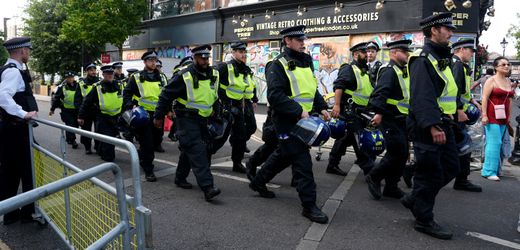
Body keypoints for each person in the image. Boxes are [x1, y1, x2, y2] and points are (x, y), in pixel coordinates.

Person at [248, 25, 331, 224]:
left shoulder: (306, 61)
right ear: (287, 41)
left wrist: (321, 107)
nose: (303, 42)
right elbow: (275, 95)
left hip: (304, 120)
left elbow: (312, 89)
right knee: (302, 162)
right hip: (286, 121)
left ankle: (258, 181)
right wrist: (298, 111)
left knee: (284, 156)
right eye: (298, 39)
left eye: (304, 39)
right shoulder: (277, 64)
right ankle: (309, 206)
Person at [401, 12, 459, 240]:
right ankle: (423, 219)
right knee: (430, 173)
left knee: (452, 167)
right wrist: (433, 126)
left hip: (445, 123)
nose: (451, 32)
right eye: (448, 28)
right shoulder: (422, 59)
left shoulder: (441, 58)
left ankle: (415, 198)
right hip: (429, 126)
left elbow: (446, 91)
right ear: (434, 30)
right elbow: (422, 97)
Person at [154, 45, 221, 201]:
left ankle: (179, 177)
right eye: (202, 58)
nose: (205, 61)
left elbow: (215, 96)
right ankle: (208, 187)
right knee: (198, 152)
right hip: (186, 119)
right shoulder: (184, 76)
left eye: (207, 58)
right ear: (194, 58)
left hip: (204, 119)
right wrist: (159, 116)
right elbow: (165, 95)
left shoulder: (214, 74)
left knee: (188, 150)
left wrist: (217, 113)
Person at [365, 39, 412, 200]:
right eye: (404, 51)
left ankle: (391, 186)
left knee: (402, 152)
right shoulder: (389, 70)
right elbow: (380, 93)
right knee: (396, 151)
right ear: (394, 52)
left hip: (402, 118)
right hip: (390, 116)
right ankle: (374, 176)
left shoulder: (402, 70)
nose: (407, 54)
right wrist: (378, 113)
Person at [0, 37, 39, 225]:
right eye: (28, 50)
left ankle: (10, 213)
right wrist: (23, 114)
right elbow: (2, 96)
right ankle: (28, 213)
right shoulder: (13, 72)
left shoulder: (7, 69)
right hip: (16, 131)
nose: (28, 53)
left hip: (10, 131)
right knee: (29, 171)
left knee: (10, 173)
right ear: (22, 51)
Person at [328, 42, 374, 176]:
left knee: (345, 139)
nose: (367, 55)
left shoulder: (364, 71)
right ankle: (370, 171)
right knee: (359, 139)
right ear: (355, 54)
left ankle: (332, 164)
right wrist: (336, 105)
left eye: (368, 52)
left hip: (362, 112)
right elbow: (339, 87)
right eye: (364, 52)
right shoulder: (349, 68)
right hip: (350, 111)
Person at [123, 51, 168, 182]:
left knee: (155, 141)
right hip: (143, 115)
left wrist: (169, 110)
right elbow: (127, 93)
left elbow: (166, 95)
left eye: (155, 60)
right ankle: (149, 170)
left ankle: (141, 155)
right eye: (150, 60)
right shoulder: (136, 77)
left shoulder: (162, 77)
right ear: (145, 62)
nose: (153, 63)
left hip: (158, 115)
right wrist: (130, 105)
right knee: (147, 143)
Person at [216, 42, 258, 173]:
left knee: (241, 135)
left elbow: (251, 84)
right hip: (227, 106)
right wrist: (221, 100)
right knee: (221, 136)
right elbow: (212, 82)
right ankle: (206, 155)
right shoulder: (224, 67)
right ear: (233, 53)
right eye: (240, 52)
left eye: (244, 52)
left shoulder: (245, 68)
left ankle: (237, 162)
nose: (243, 54)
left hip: (241, 106)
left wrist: (254, 98)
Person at [450, 39, 482, 192]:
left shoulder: (461, 66)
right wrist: (459, 110)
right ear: (461, 49)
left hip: (458, 112)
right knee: (464, 146)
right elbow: (454, 90)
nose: (472, 54)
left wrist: (472, 100)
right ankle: (461, 180)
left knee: (460, 146)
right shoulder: (456, 65)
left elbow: (463, 91)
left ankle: (462, 179)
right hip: (457, 114)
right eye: (470, 50)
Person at [78, 65, 123, 162]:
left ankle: (102, 151)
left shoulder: (120, 85)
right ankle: (109, 159)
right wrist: (81, 116)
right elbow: (87, 102)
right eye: (107, 74)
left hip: (116, 117)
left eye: (111, 74)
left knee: (111, 137)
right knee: (108, 138)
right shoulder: (97, 87)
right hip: (103, 117)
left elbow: (124, 98)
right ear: (103, 75)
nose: (109, 76)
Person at [481, 56, 514, 181]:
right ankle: (488, 171)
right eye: (503, 64)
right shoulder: (491, 80)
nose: (507, 66)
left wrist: (509, 117)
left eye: (508, 64)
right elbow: (484, 97)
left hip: (503, 117)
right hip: (492, 115)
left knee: (498, 143)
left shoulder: (508, 81)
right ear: (496, 67)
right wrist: (484, 115)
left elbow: (509, 100)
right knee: (495, 143)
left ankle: (494, 169)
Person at [49, 71, 80, 149]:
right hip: (66, 110)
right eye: (68, 78)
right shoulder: (62, 87)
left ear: (73, 78)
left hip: (76, 110)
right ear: (66, 79)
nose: (70, 79)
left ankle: (69, 139)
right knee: (70, 125)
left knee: (75, 126)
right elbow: (56, 99)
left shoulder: (78, 86)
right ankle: (73, 141)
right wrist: (52, 109)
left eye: (71, 77)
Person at [75, 62, 101, 154]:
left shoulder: (100, 81)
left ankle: (98, 147)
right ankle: (87, 147)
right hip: (86, 111)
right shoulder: (82, 83)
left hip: (97, 110)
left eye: (94, 70)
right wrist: (79, 114)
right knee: (86, 130)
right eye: (91, 70)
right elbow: (77, 99)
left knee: (98, 130)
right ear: (87, 72)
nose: (93, 72)